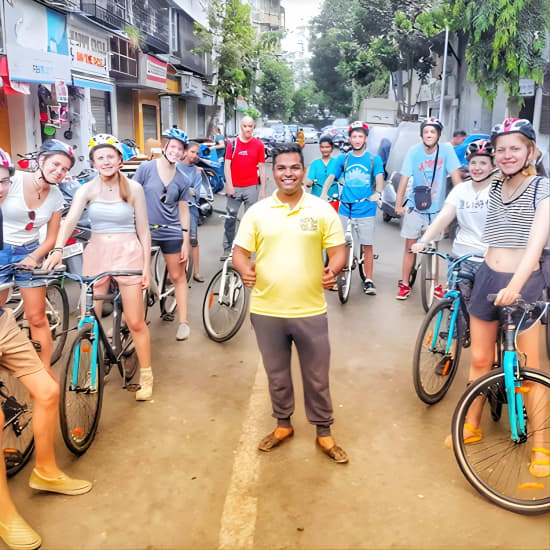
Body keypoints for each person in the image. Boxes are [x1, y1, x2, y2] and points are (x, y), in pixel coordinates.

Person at [232, 143, 349, 464]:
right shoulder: (257, 212)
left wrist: (333, 269)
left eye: (295, 167)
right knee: (277, 374)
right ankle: (283, 425)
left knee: (316, 376)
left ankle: (324, 431)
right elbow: (239, 252)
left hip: (310, 310)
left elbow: (339, 250)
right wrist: (244, 269)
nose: (288, 174)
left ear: (304, 171)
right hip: (266, 311)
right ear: (273, 172)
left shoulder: (321, 210)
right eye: (282, 168)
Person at [0, 149, 91, 550]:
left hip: (5, 313)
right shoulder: (13, 193)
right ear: (36, 164)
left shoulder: (47, 199)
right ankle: (5, 515)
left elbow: (53, 235)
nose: (1, 189)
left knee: (48, 387)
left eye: (3, 181)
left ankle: (46, 470)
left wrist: (40, 255)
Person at [449, 119, 549, 477]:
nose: (506, 155)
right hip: (487, 275)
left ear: (531, 152)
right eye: (501, 149)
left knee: (531, 368)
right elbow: (485, 234)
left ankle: (540, 446)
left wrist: (515, 286)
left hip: (525, 282)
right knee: (478, 358)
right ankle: (472, 424)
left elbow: (534, 248)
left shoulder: (542, 189)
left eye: (515, 148)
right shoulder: (494, 188)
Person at [44, 134, 154, 401]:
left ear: (119, 159)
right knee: (88, 319)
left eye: (110, 156)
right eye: (100, 157)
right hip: (97, 254)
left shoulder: (133, 188)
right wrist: (57, 249)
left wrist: (147, 268)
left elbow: (143, 230)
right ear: (93, 162)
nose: (106, 161)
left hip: (129, 254)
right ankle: (93, 361)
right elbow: (69, 222)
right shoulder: (87, 188)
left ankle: (147, 374)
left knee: (135, 321)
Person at [0, 139, 74, 377]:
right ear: (41, 160)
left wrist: (34, 257)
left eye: (64, 169)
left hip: (30, 251)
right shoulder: (11, 182)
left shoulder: (55, 197)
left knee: (37, 317)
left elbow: (52, 237)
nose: (59, 172)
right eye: (55, 164)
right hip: (2, 250)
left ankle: (44, 372)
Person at [411, 139, 498, 296]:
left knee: (483, 313)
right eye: (473, 163)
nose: (477, 168)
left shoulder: (499, 190)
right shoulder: (461, 190)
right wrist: (424, 240)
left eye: (483, 163)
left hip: (488, 260)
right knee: (456, 307)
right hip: (460, 258)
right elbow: (444, 216)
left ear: (493, 166)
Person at [132, 127, 192, 341]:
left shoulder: (183, 179)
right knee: (136, 277)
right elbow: (132, 196)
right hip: (145, 230)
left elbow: (183, 209)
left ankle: (183, 322)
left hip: (172, 231)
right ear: (165, 146)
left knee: (177, 276)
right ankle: (129, 321)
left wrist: (185, 240)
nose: (176, 151)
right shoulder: (146, 168)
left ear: (183, 153)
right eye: (173, 146)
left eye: (180, 148)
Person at [395, 117, 462, 300]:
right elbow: (404, 178)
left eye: (433, 132)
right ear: (421, 135)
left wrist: (461, 203)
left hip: (436, 210)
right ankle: (405, 284)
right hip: (415, 207)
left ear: (438, 135)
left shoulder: (447, 150)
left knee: (434, 247)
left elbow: (456, 177)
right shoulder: (414, 151)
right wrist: (398, 204)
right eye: (426, 132)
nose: (429, 135)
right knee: (410, 247)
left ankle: (435, 283)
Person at [321, 121, 385, 295]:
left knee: (367, 245)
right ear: (350, 139)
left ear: (365, 138)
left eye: (360, 136)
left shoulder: (373, 159)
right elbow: (332, 176)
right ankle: (337, 273)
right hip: (345, 207)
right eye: (354, 136)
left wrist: (378, 193)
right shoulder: (344, 158)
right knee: (340, 244)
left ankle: (369, 280)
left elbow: (379, 177)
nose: (357, 140)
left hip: (365, 207)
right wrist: (324, 194)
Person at [221, 116, 266, 260]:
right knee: (230, 218)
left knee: (250, 220)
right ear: (241, 127)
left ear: (253, 127)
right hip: (235, 188)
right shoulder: (232, 144)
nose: (248, 129)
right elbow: (227, 166)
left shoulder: (258, 145)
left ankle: (246, 249)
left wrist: (263, 190)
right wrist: (229, 185)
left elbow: (262, 168)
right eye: (245, 126)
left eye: (250, 126)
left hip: (252, 188)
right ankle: (228, 248)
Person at [179, 141, 204, 282]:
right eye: (192, 152)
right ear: (185, 151)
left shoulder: (197, 171)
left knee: (193, 240)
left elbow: (197, 192)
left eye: (197, 153)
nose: (194, 155)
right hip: (176, 209)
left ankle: (196, 272)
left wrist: (182, 189)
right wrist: (188, 190)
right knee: (176, 240)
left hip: (191, 208)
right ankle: (177, 272)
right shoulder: (175, 167)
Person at [304, 135, 339, 211]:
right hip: (317, 197)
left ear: (332, 148)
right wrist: (307, 182)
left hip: (333, 197)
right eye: (322, 147)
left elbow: (342, 179)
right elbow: (310, 181)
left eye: (327, 147)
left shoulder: (337, 163)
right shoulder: (314, 164)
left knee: (332, 220)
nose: (324, 149)